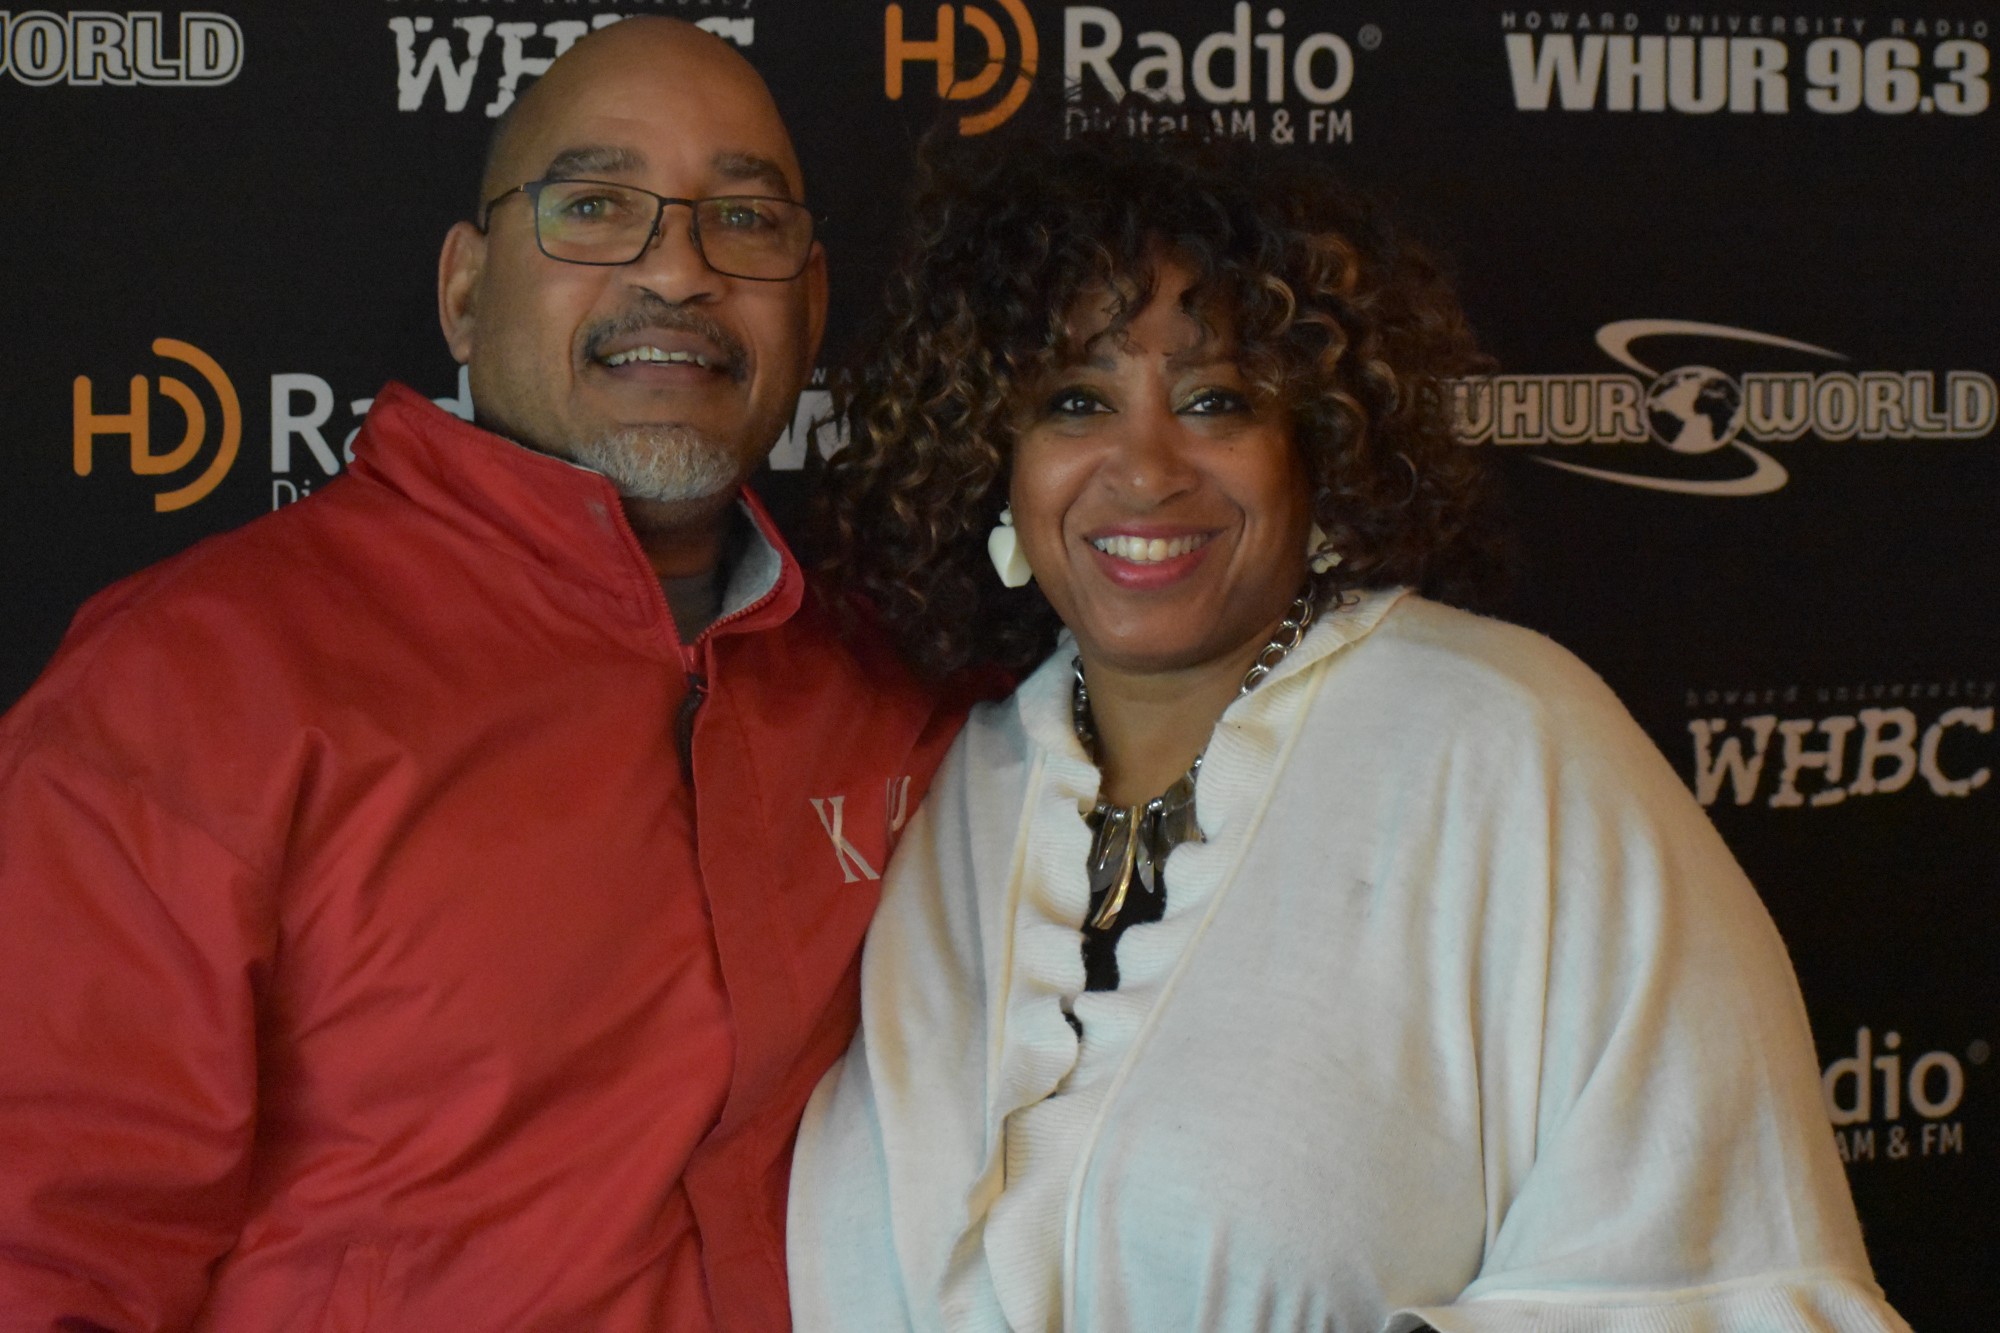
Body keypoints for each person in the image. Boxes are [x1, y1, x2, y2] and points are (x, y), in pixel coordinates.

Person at [786, 128, 1910, 1331]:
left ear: (1315, 445)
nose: (1144, 469)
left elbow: (1729, 1277)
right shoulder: (953, 790)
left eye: (1214, 400)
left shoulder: (1508, 743)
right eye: (1075, 402)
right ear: (993, 460)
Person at [0, 19, 962, 1332]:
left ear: (811, 301)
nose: (676, 268)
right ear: (465, 290)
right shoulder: (190, 683)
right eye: (594, 206)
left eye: (743, 220)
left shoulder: (903, 686)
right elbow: (45, 1260)